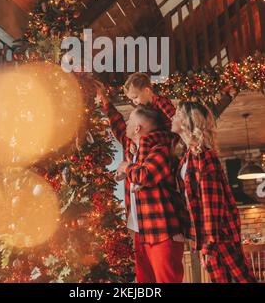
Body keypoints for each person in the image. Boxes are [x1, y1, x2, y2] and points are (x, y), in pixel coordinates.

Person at [95, 81, 189, 283]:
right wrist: (104, 101)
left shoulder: (161, 147)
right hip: (140, 231)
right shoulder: (132, 146)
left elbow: (146, 175)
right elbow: (117, 124)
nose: (126, 123)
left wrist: (127, 168)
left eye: (130, 120)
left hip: (162, 231)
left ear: (137, 127)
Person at [171, 101, 257, 283]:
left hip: (219, 237)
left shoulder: (204, 156)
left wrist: (209, 245)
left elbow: (211, 203)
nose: (172, 117)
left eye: (177, 115)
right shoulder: (188, 156)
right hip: (208, 237)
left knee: (241, 280)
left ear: (187, 121)